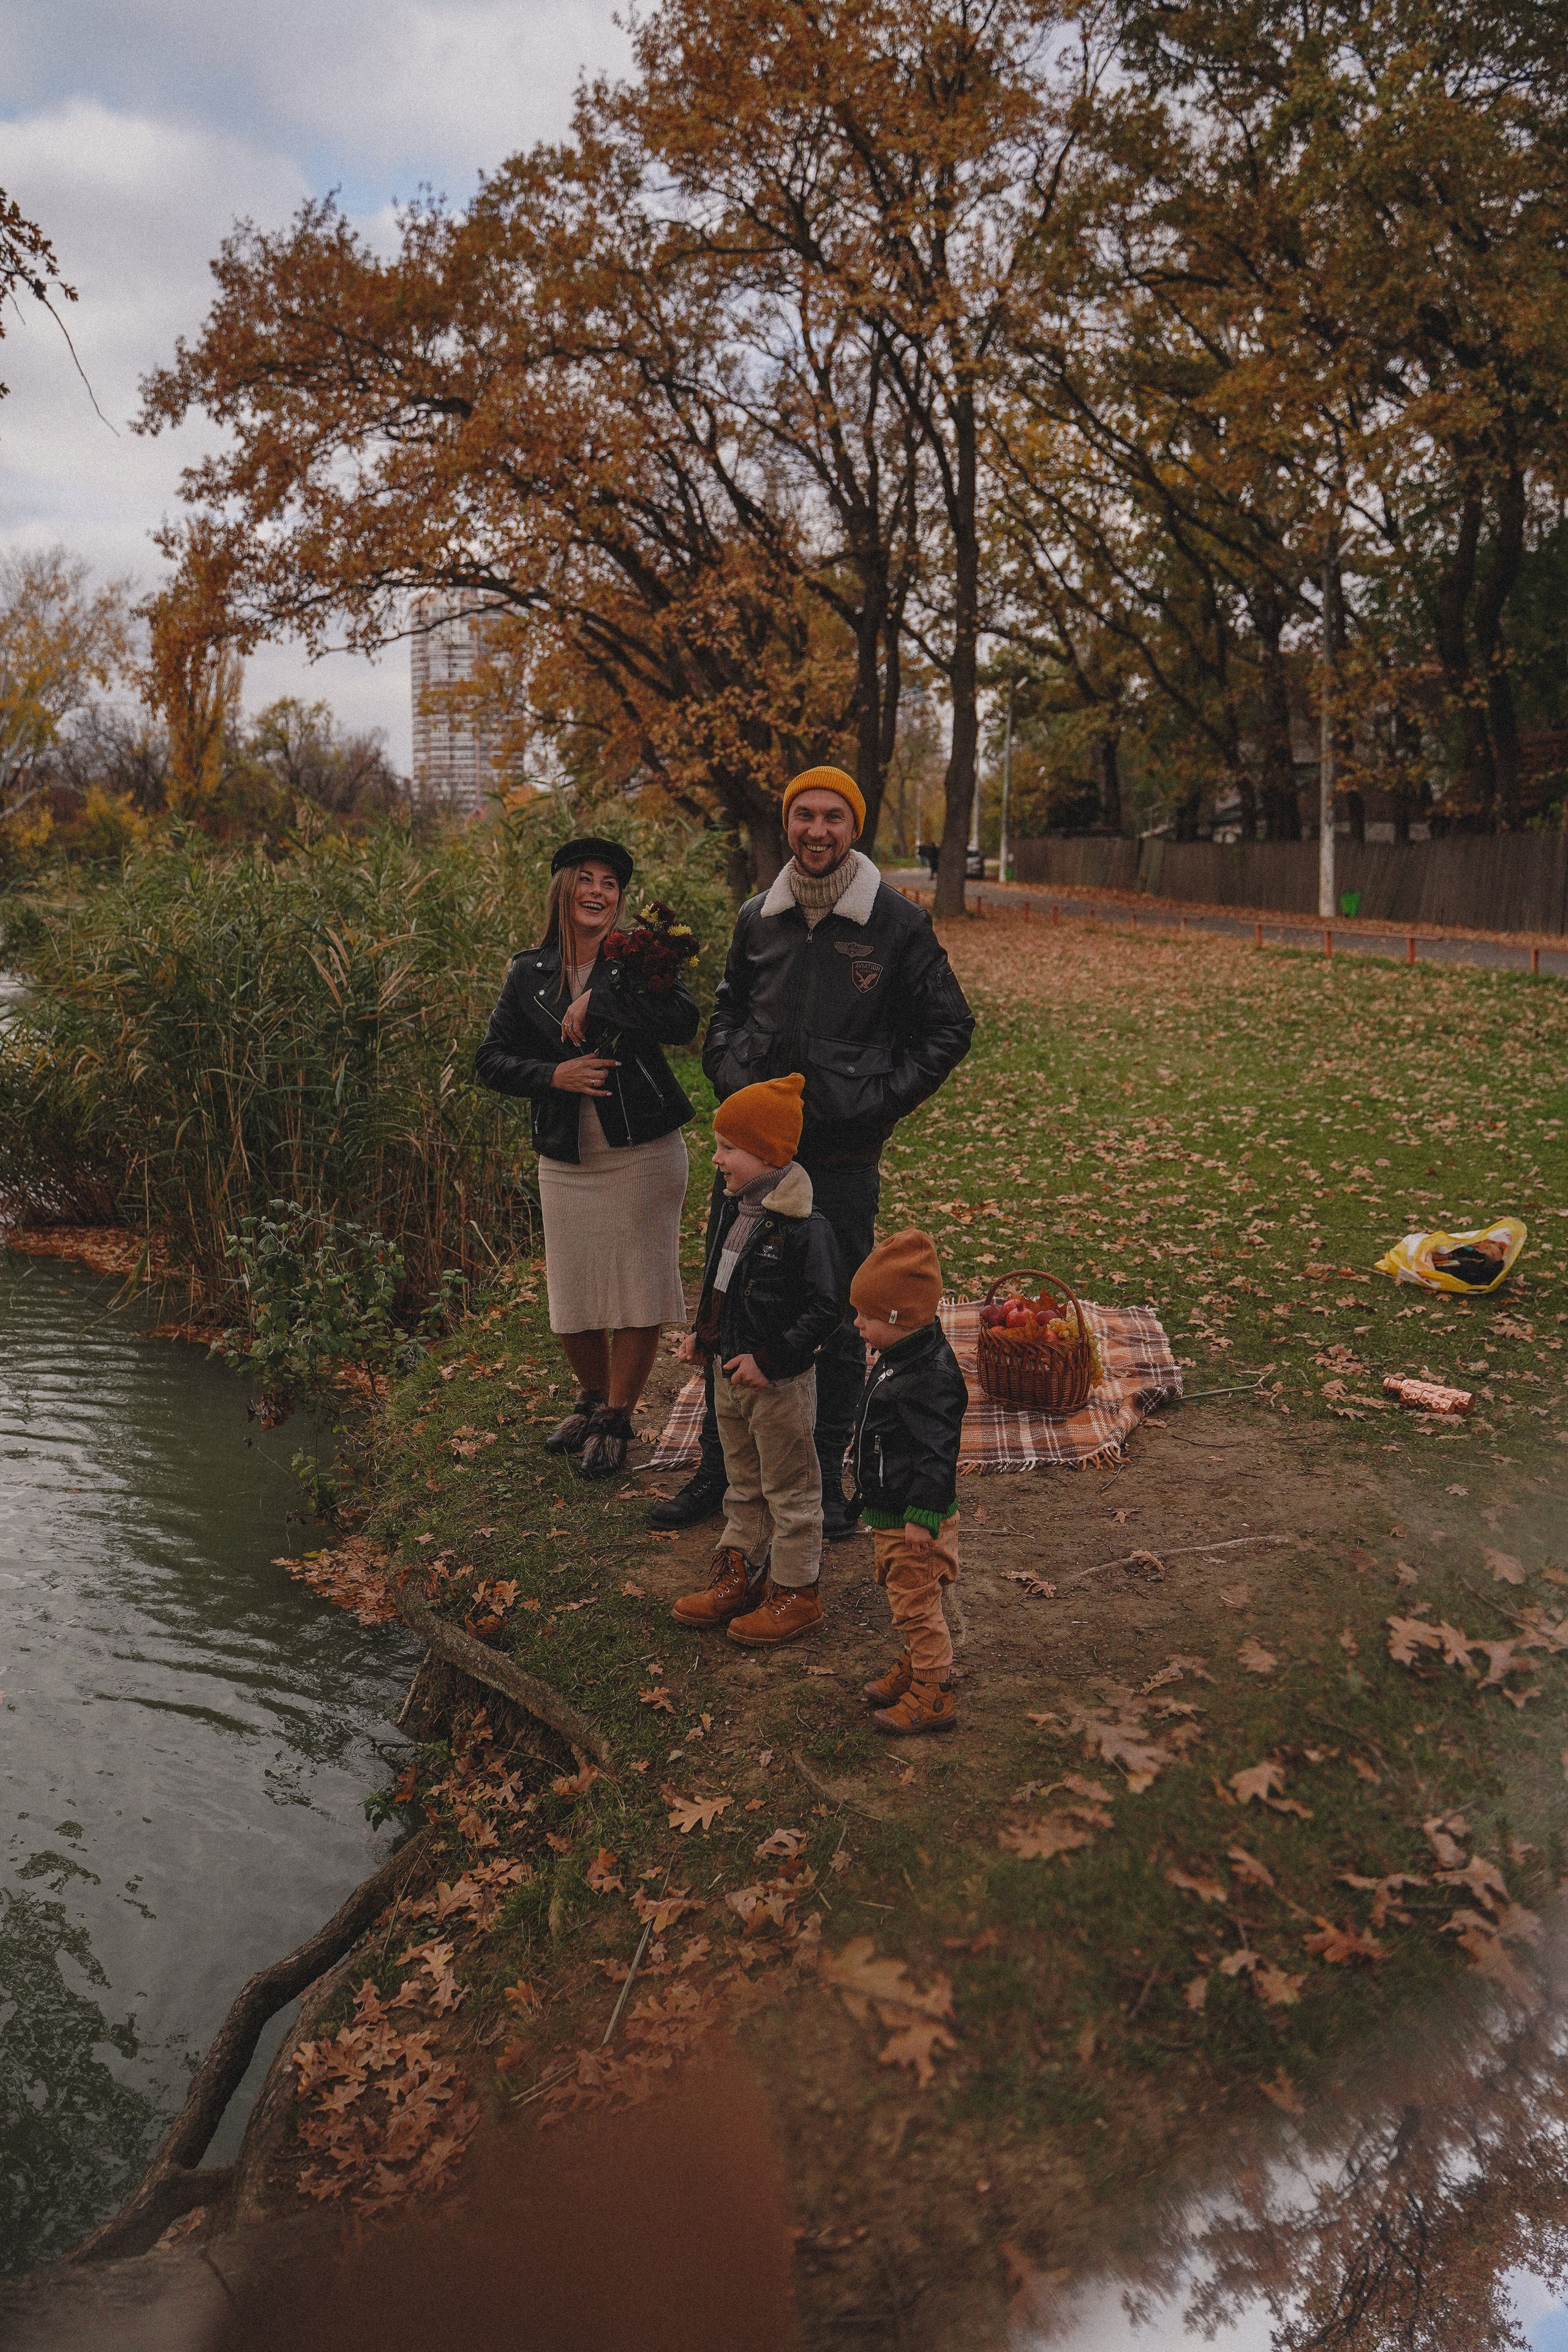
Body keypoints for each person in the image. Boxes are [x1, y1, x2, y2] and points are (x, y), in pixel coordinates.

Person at [650, 765, 974, 1540]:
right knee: (730, 1305)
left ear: (852, 828)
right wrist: (733, 1080)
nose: (817, 830)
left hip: (840, 1158)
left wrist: (875, 1098)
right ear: (789, 825)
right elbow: (727, 1011)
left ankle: (827, 1481)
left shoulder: (896, 924)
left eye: (833, 816)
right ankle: (717, 1470)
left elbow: (948, 1028)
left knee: (830, 1318)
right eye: (804, 816)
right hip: (752, 1160)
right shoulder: (758, 917)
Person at [475, 836, 698, 1480]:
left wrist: (601, 1000)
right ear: (564, 890)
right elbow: (489, 1060)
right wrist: (554, 1075)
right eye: (587, 880)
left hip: (644, 1150)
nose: (598, 892)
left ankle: (617, 1418)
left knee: (637, 1289)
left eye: (610, 883)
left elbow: (683, 1019)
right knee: (572, 1297)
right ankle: (592, 1399)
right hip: (567, 1156)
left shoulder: (639, 961)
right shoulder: (528, 973)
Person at [669, 1074, 844, 1646]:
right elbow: (720, 1283)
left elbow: (824, 1308)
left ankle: (798, 1592)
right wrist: (703, 1333)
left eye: (728, 1148)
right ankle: (739, 1573)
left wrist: (770, 1360)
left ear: (767, 1154)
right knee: (742, 1480)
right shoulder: (733, 1209)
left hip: (777, 1383)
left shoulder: (803, 1228)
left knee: (791, 1487)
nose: (716, 1158)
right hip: (728, 1374)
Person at [848, 1229, 968, 1735]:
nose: (857, 1324)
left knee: (918, 1606)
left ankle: (933, 1692)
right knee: (905, 1601)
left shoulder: (931, 1376)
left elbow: (938, 1454)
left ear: (897, 1319)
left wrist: (923, 1517)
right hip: (891, 1511)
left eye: (867, 1317)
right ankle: (917, 1667)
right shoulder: (901, 1357)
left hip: (913, 1521)